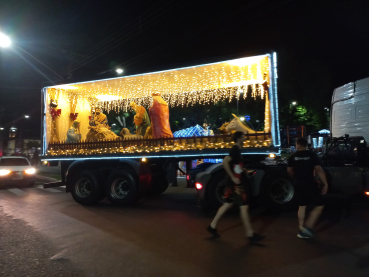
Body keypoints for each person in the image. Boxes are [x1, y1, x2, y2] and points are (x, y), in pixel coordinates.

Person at [206, 131, 264, 243]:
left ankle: (212, 226)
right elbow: (225, 162)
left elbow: (236, 165)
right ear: (238, 138)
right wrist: (233, 178)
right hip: (235, 184)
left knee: (227, 204)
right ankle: (250, 234)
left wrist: (245, 171)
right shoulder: (235, 149)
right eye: (243, 136)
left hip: (233, 183)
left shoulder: (237, 150)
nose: (245, 138)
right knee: (244, 207)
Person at [287, 137, 328, 239]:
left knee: (302, 206)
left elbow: (289, 171)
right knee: (320, 204)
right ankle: (308, 226)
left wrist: (294, 177)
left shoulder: (293, 156)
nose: (296, 146)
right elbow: (318, 169)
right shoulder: (312, 155)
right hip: (309, 183)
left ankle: (301, 229)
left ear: (299, 145)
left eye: (296, 144)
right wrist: (326, 183)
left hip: (298, 183)